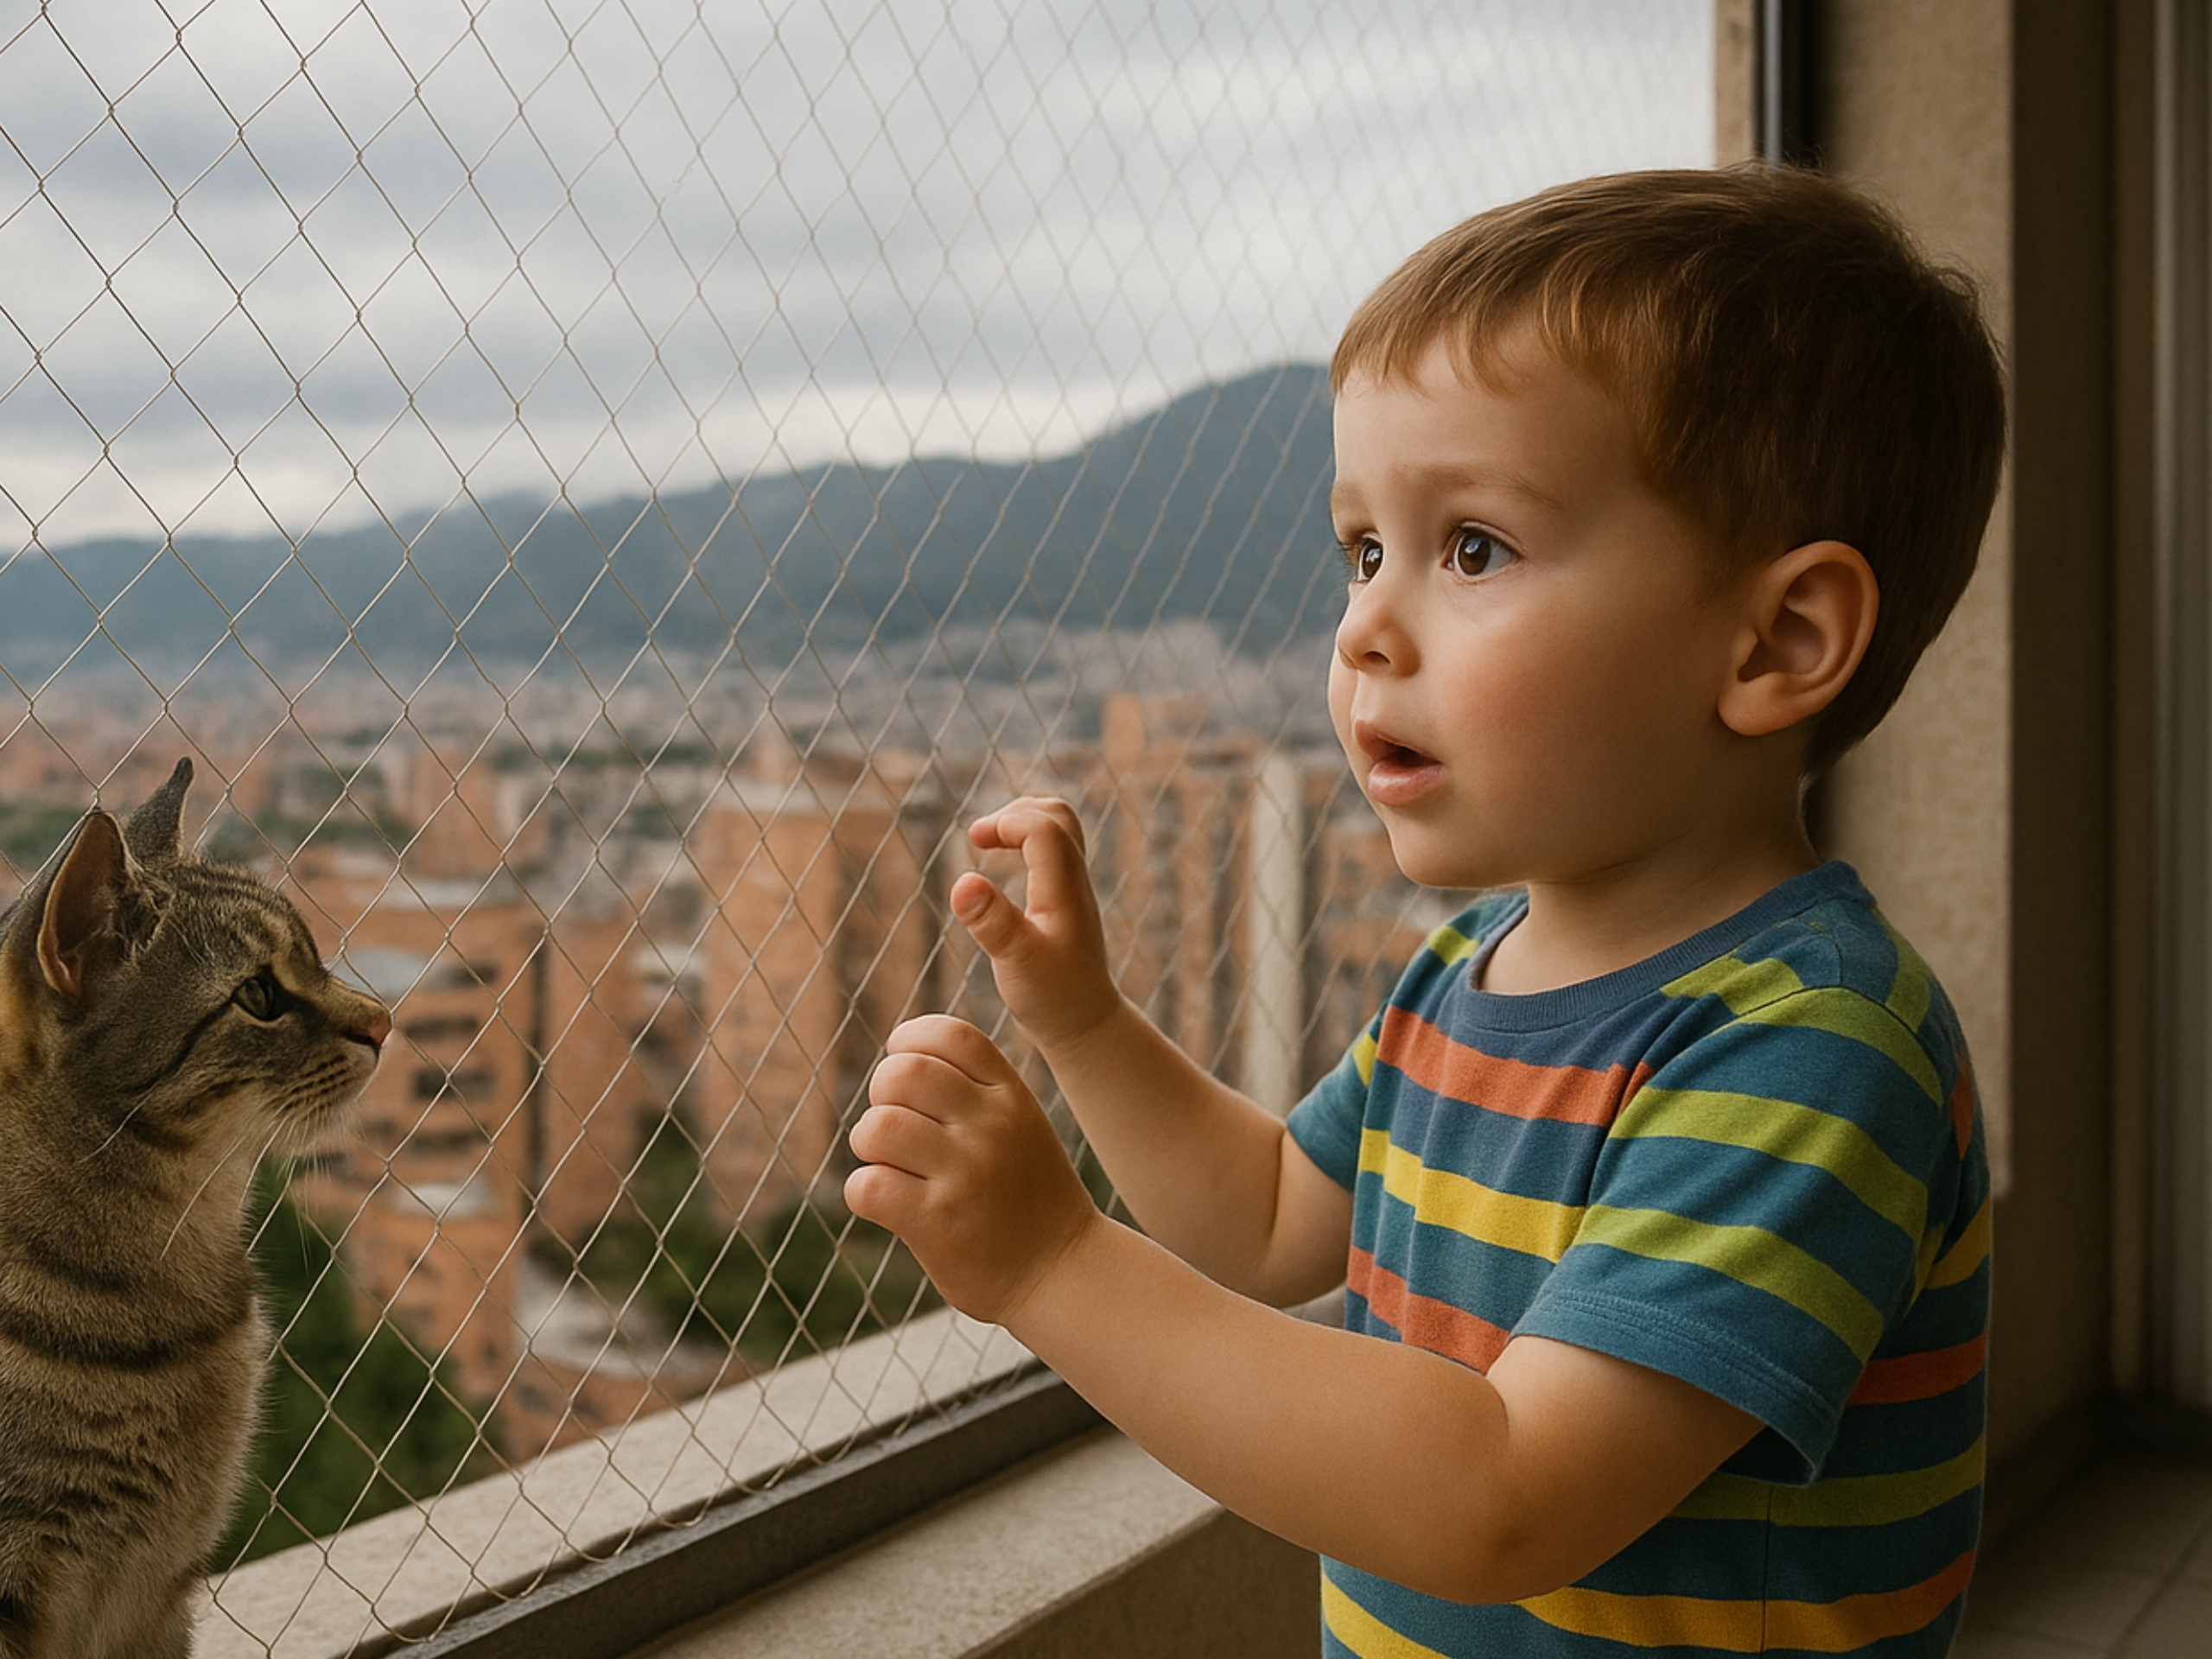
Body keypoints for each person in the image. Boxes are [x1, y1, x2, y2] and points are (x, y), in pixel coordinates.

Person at [844, 164, 2003, 1658]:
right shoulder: (1470, 969)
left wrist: (1054, 1266)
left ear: (1778, 638)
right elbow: (1264, 1223)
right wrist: (1082, 1022)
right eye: (1363, 549)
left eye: (1473, 548)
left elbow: (1503, 1496)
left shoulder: (1812, 1053)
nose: (1364, 627)